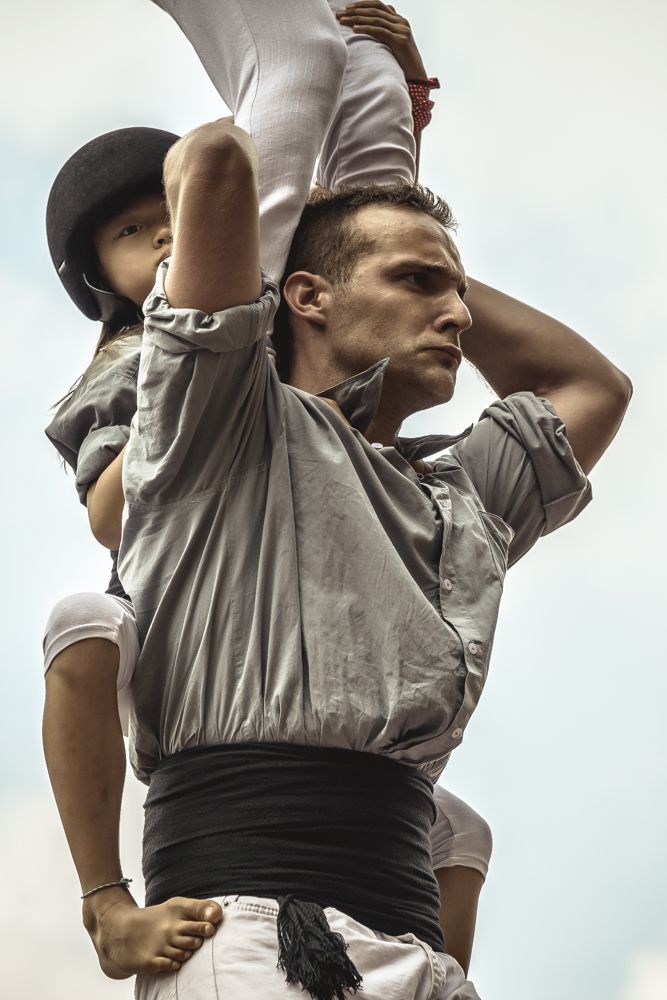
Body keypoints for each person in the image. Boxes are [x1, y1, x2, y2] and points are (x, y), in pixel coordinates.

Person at [108, 108, 628, 997]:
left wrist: (407, 254)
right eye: (420, 282)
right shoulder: (223, 426)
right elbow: (216, 157)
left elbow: (591, 388)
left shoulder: (460, 492)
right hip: (251, 940)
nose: (460, 315)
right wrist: (324, 206)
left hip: (416, 954)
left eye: (458, 290)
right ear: (305, 296)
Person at [43, 4, 490, 985]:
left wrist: (398, 87)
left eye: (169, 220)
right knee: (80, 620)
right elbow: (116, 513)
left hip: (309, 588)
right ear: (102, 280)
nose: (163, 235)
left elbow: (367, 242)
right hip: (203, 606)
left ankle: (420, 965)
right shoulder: (129, 367)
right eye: (132, 232)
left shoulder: (284, 337)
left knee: (455, 826)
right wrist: (206, 403)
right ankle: (103, 901)